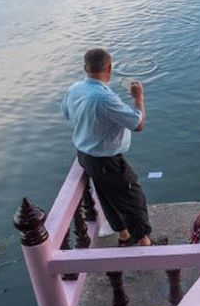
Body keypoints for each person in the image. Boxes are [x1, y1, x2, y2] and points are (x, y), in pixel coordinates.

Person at [61, 48, 164, 247]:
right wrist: (138, 99)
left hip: (85, 155)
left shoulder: (74, 89)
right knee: (133, 198)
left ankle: (124, 237)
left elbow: (68, 114)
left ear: (85, 68)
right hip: (106, 160)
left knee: (107, 197)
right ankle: (145, 243)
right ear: (109, 67)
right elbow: (137, 124)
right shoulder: (104, 98)